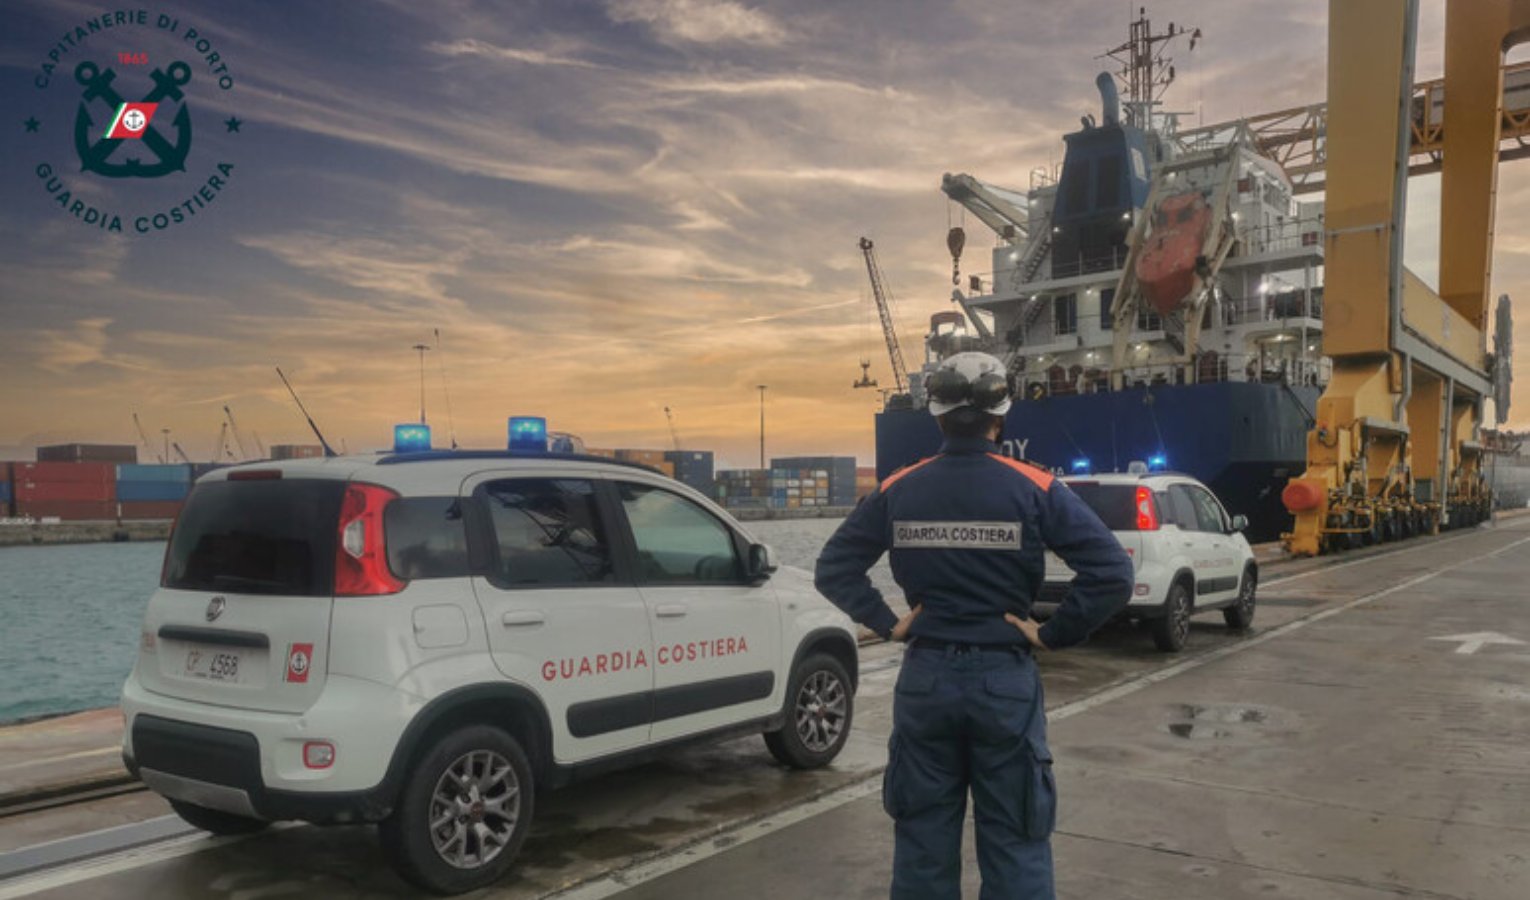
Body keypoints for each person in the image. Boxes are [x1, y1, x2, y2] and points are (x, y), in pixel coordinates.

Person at [814, 351, 1134, 900]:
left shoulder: (899, 487)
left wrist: (889, 622)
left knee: (921, 842)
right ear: (1000, 415)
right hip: (1003, 682)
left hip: (925, 680)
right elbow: (1112, 573)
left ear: (936, 416)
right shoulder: (1035, 486)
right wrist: (1051, 633)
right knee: (1017, 839)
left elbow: (834, 567)